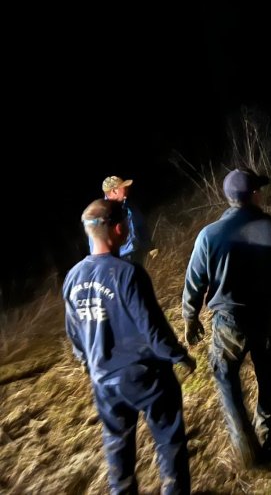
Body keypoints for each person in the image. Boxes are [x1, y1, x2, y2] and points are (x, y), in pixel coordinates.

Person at [63, 198, 195, 494]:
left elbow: (74, 334)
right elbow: (152, 328)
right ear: (119, 229)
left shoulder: (72, 278)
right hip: (145, 377)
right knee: (169, 442)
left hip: (104, 381)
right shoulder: (127, 274)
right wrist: (179, 356)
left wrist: (88, 362)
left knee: (117, 449)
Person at [182, 168, 271, 467]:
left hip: (229, 321)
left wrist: (190, 316)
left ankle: (245, 447)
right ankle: (267, 433)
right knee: (269, 374)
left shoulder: (209, 235)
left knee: (226, 379)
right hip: (270, 315)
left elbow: (195, 281)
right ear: (254, 195)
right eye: (259, 190)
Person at [88, 175, 154, 267]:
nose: (127, 190)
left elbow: (141, 226)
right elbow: (95, 247)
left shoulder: (129, 207)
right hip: (116, 262)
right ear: (114, 191)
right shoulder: (99, 215)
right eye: (124, 188)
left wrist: (149, 246)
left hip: (136, 256)